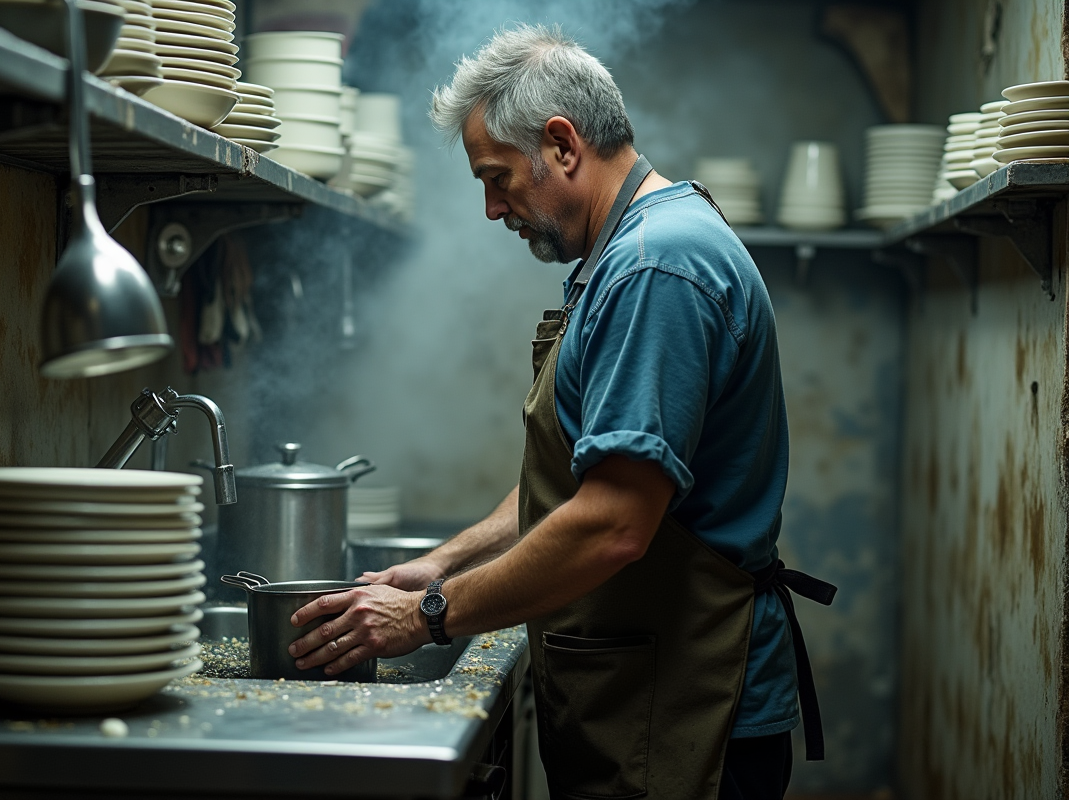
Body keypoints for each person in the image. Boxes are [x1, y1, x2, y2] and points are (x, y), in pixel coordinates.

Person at [287, 23, 835, 800]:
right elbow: (586, 470)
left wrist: (428, 616)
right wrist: (445, 563)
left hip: (688, 715)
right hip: (649, 695)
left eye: (497, 176)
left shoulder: (656, 267)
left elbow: (612, 523)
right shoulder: (627, 253)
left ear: (563, 144)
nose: (489, 206)